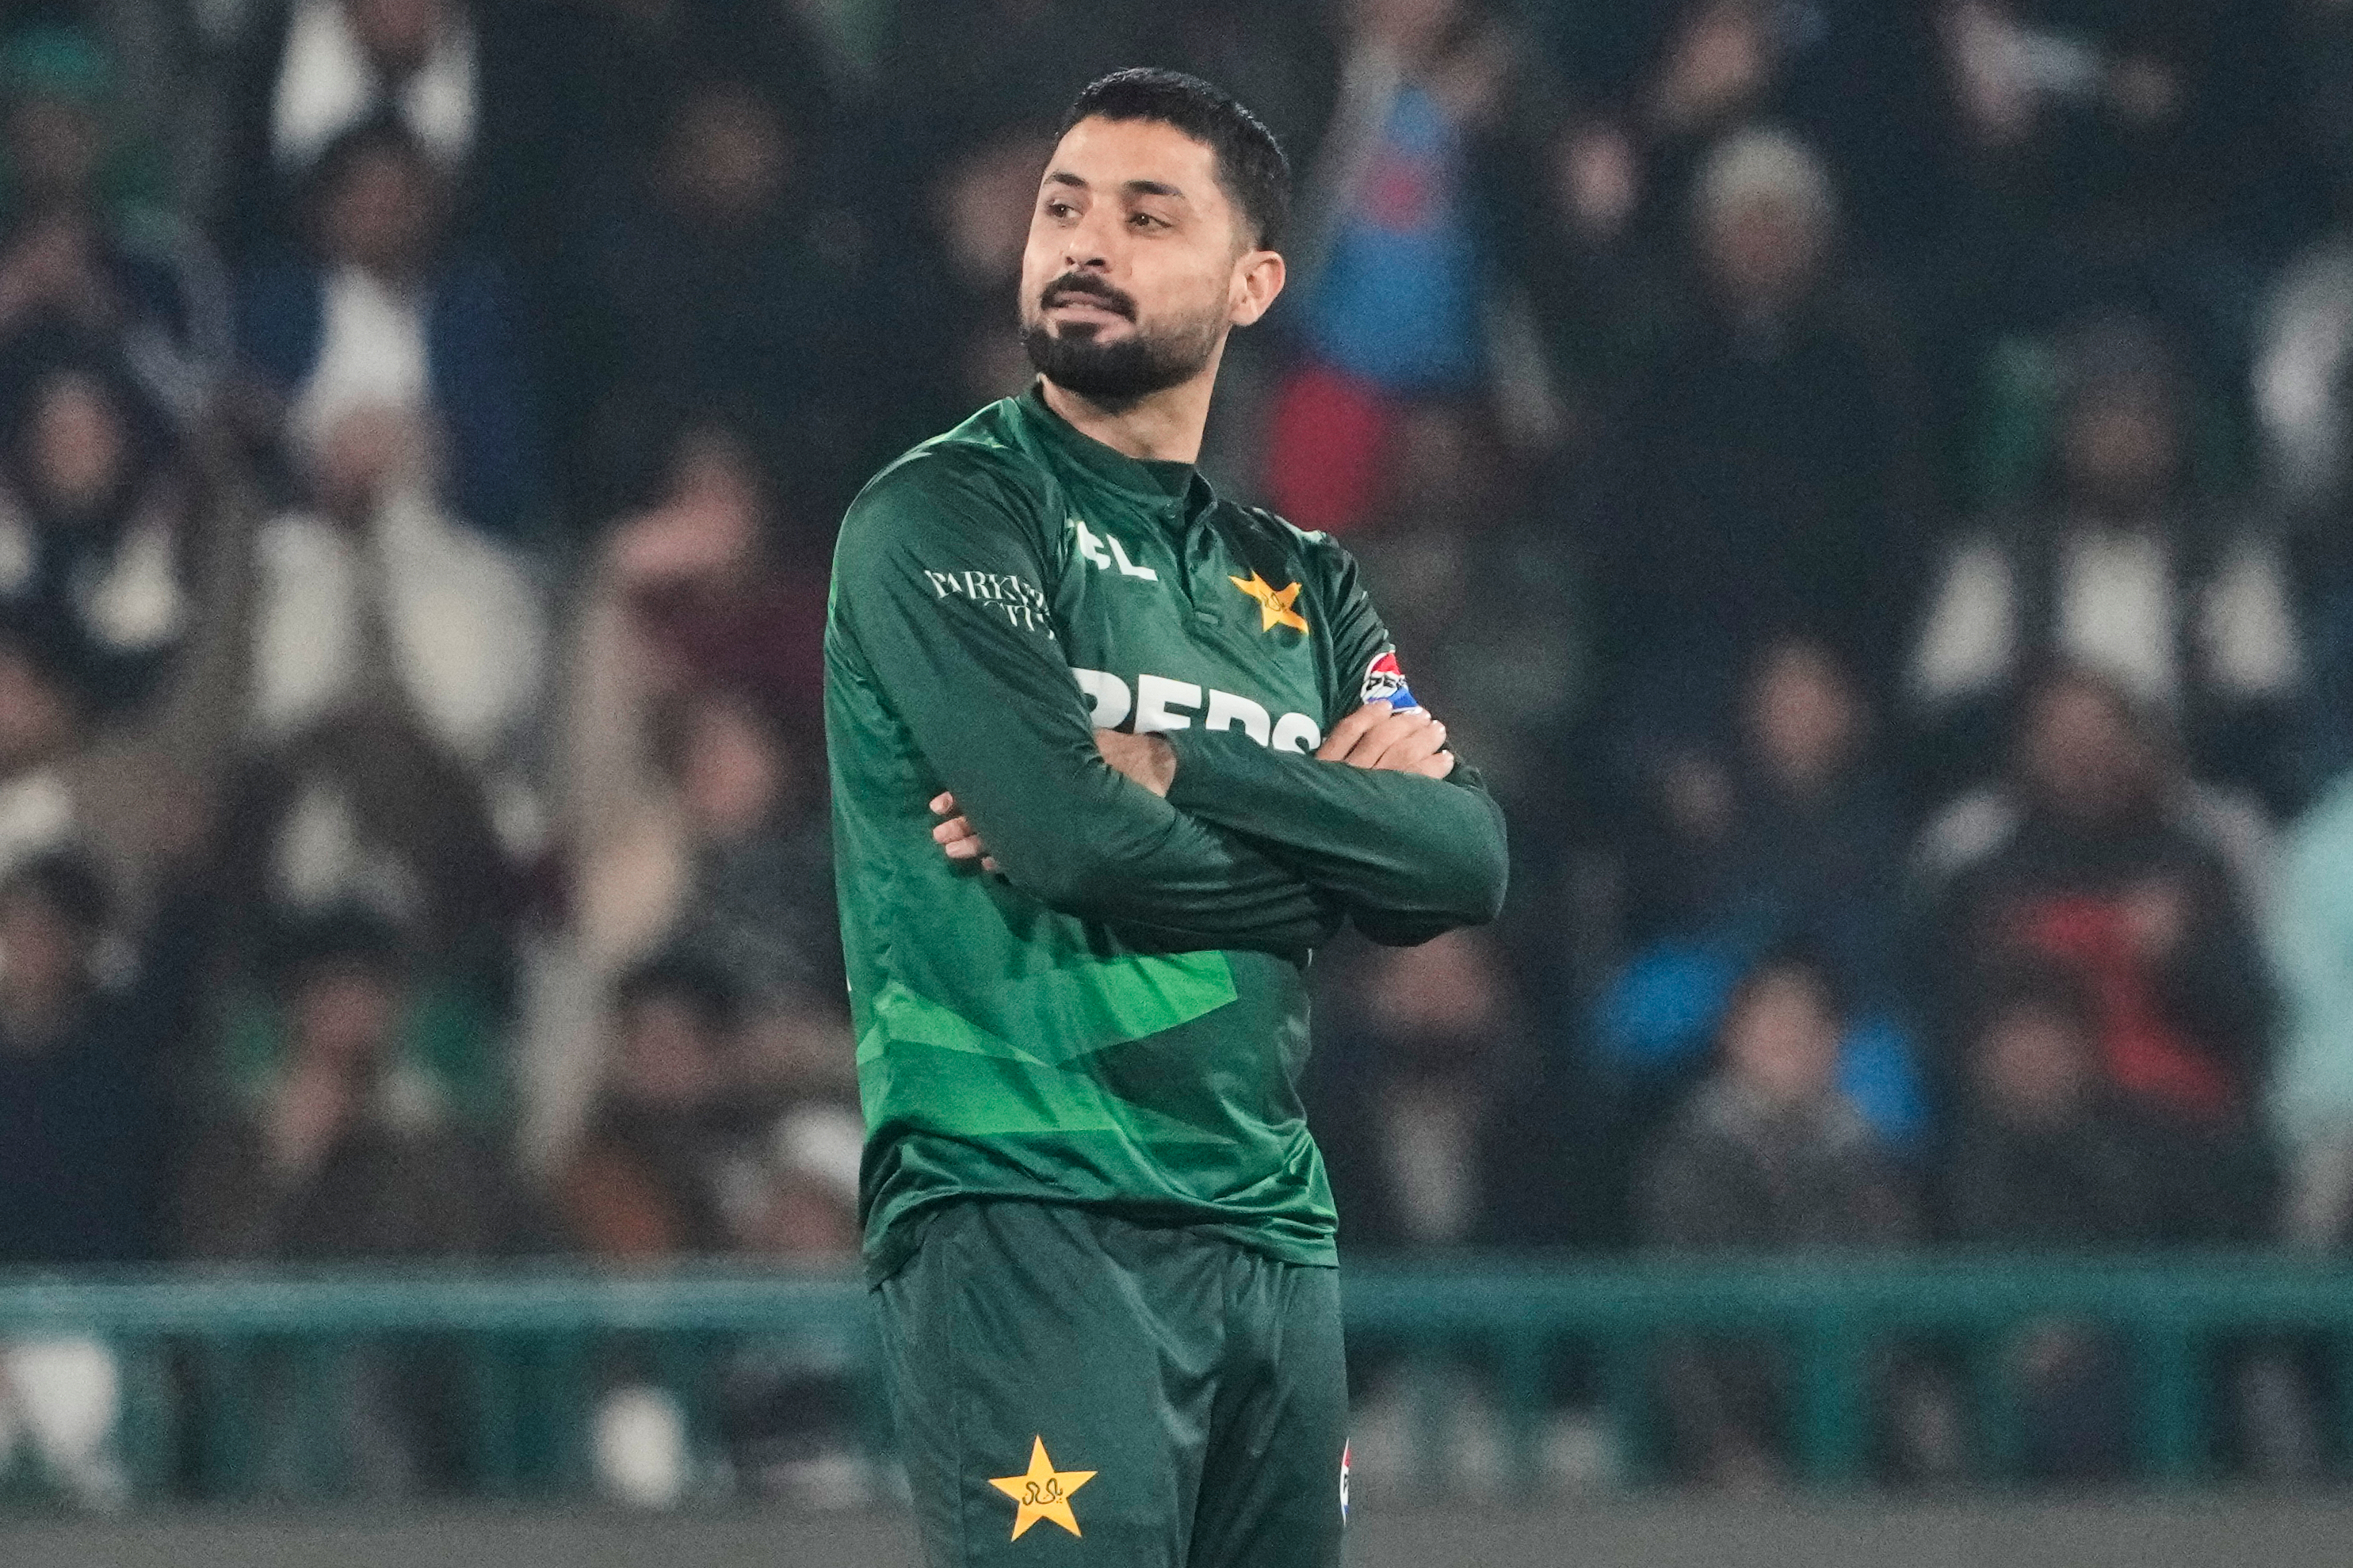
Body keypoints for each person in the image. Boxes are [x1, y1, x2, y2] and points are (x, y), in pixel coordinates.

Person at [825, 69, 1507, 1566]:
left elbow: (1466, 860)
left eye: (1147, 217)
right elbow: (1064, 837)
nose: (1084, 242)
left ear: (1254, 281)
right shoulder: (943, 517)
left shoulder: (1304, 580)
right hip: (1025, 1201)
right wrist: (1335, 863)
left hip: (1269, 1232)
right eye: (1062, 208)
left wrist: (1183, 767)